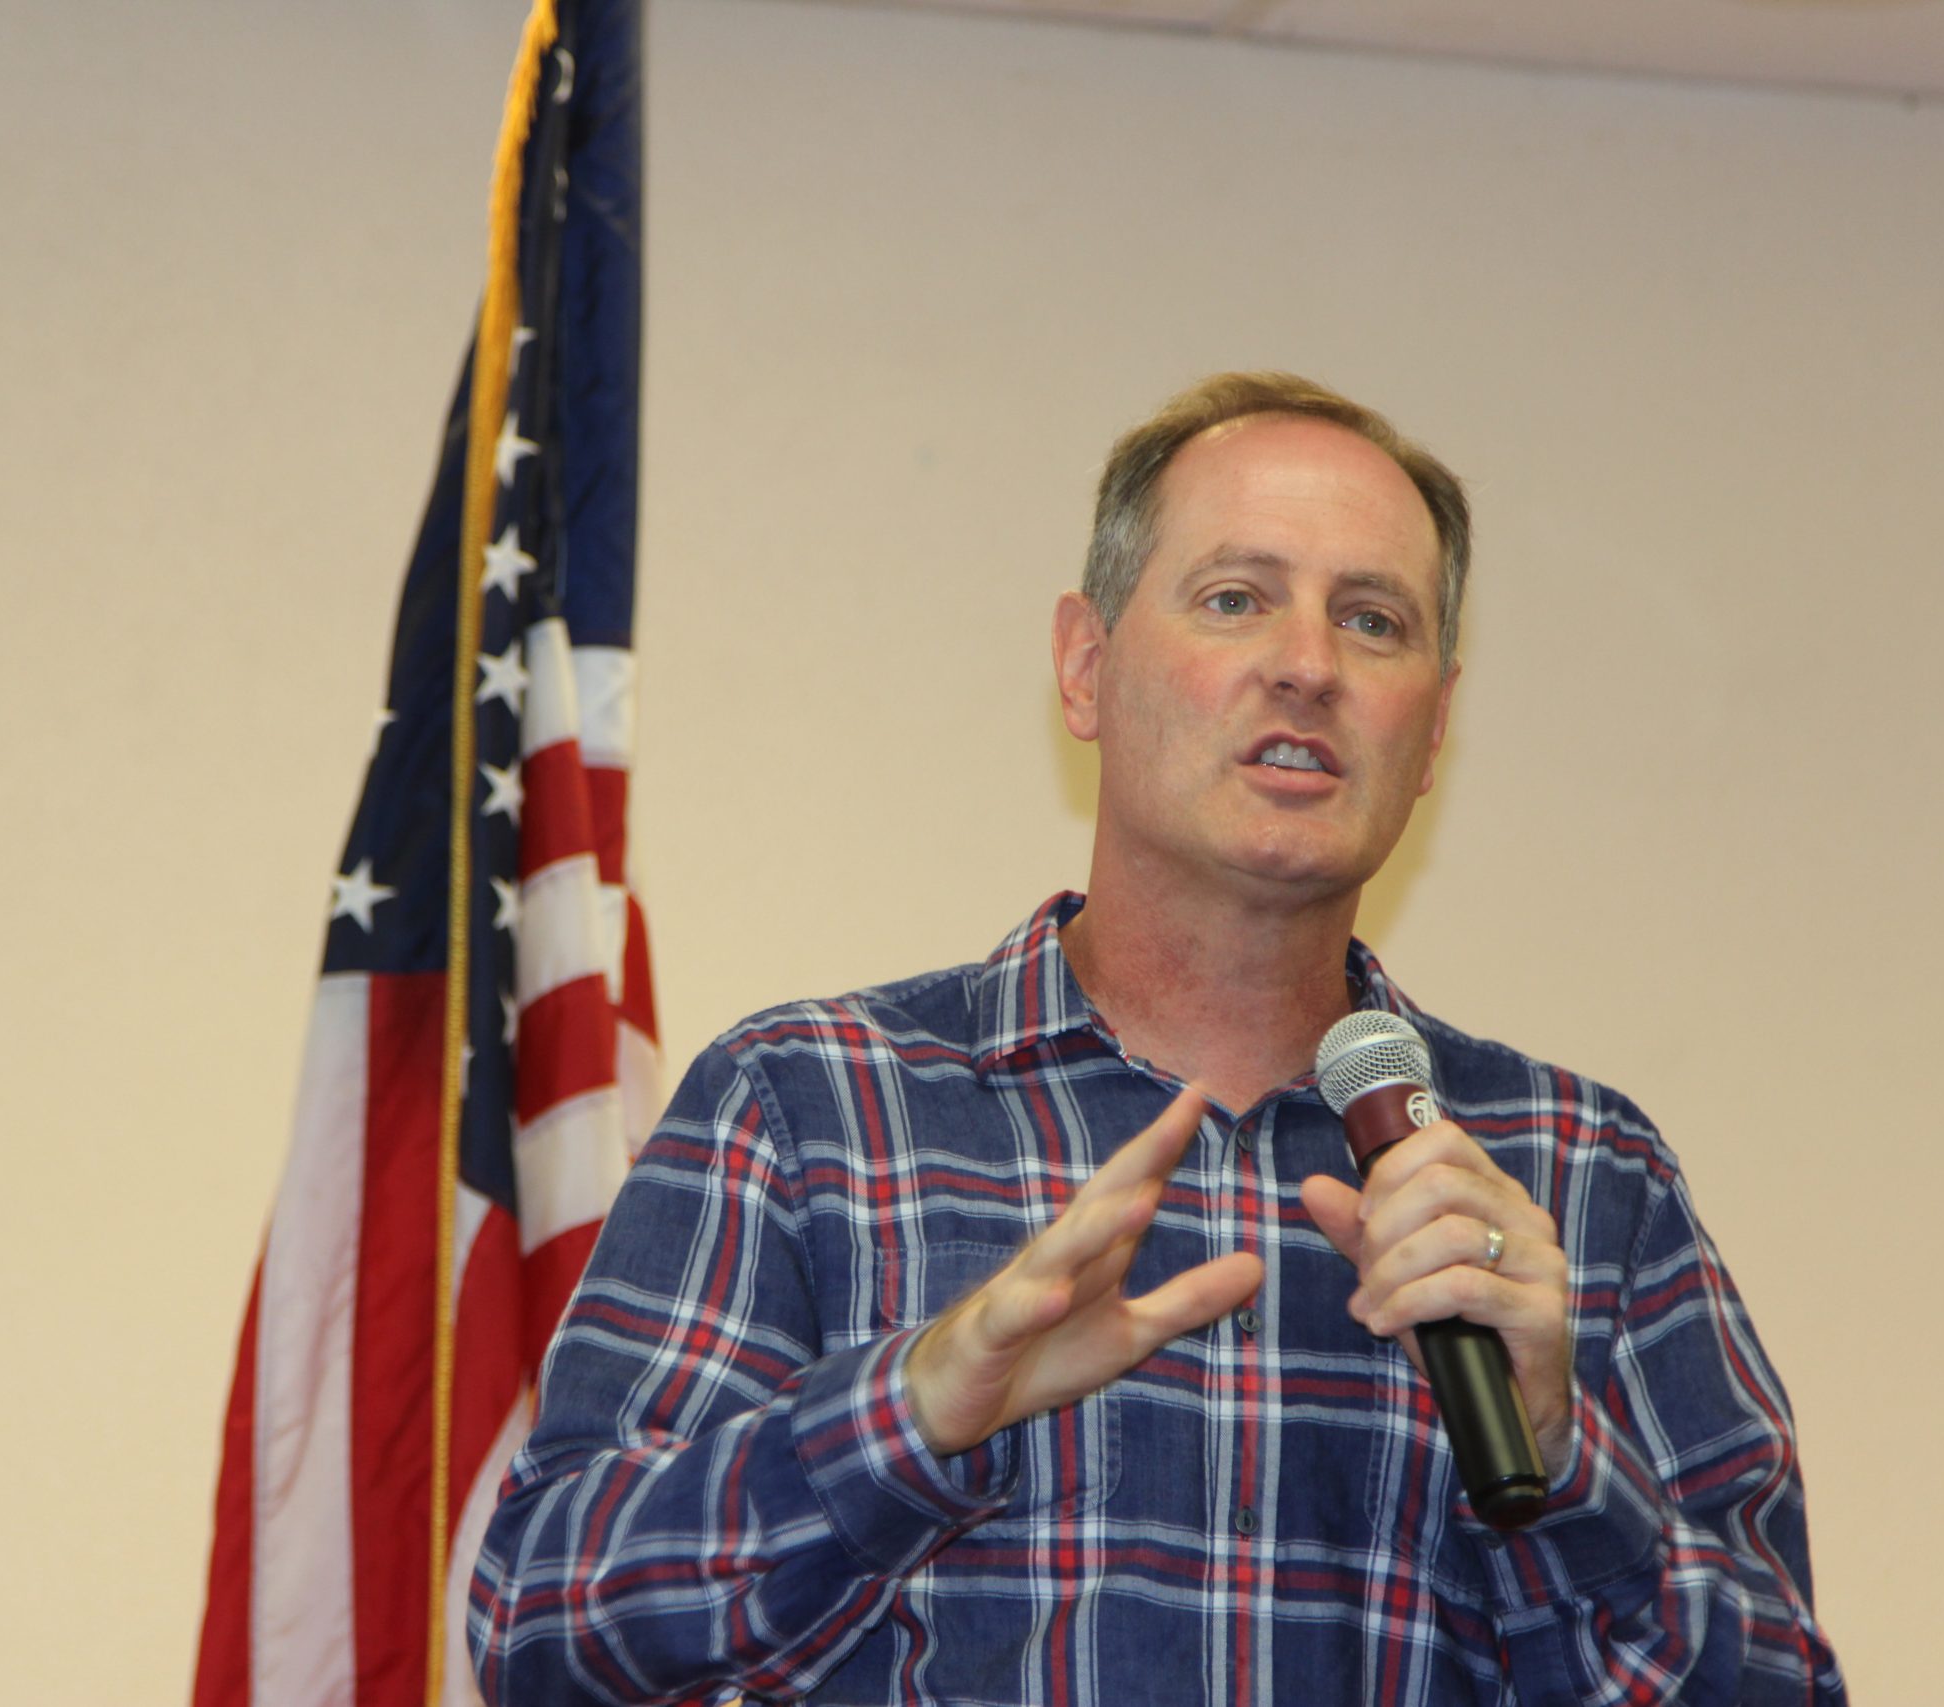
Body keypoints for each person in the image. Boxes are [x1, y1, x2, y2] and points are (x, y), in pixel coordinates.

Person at [470, 372, 1845, 1704]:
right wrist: (915, 1410)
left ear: (1434, 730)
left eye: (1374, 622)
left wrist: (1560, 1456)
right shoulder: (811, 1104)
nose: (1307, 667)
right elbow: (544, 1629)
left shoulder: (1580, 1173)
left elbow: (1784, 1687)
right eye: (1236, 599)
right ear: (1087, 665)